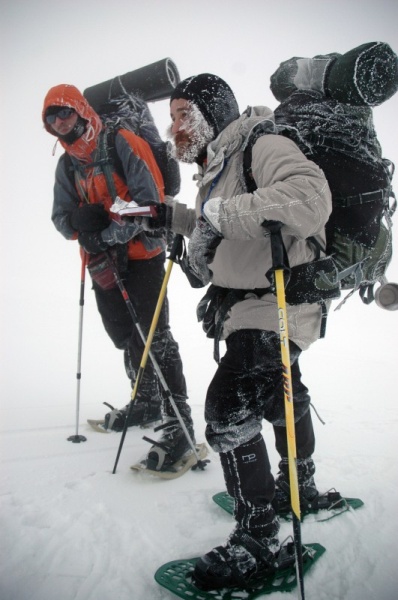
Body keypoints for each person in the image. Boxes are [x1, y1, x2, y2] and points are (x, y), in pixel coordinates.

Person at [145, 73, 335, 589]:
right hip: (245, 306)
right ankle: (302, 485)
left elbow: (310, 199)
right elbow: (221, 230)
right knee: (279, 395)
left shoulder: (263, 142)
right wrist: (174, 217)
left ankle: (259, 539)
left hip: (279, 302)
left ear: (212, 113)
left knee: (229, 406)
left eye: (184, 114)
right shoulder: (218, 166)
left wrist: (222, 212)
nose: (175, 126)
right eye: (173, 115)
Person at [42, 84, 196, 471]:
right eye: (51, 117)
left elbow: (150, 204)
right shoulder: (67, 165)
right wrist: (82, 225)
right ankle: (146, 402)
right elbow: (61, 220)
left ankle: (182, 427)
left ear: (79, 110)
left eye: (64, 112)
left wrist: (103, 233)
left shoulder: (122, 142)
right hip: (102, 264)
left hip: (143, 255)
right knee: (124, 337)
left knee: (154, 339)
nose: (59, 122)